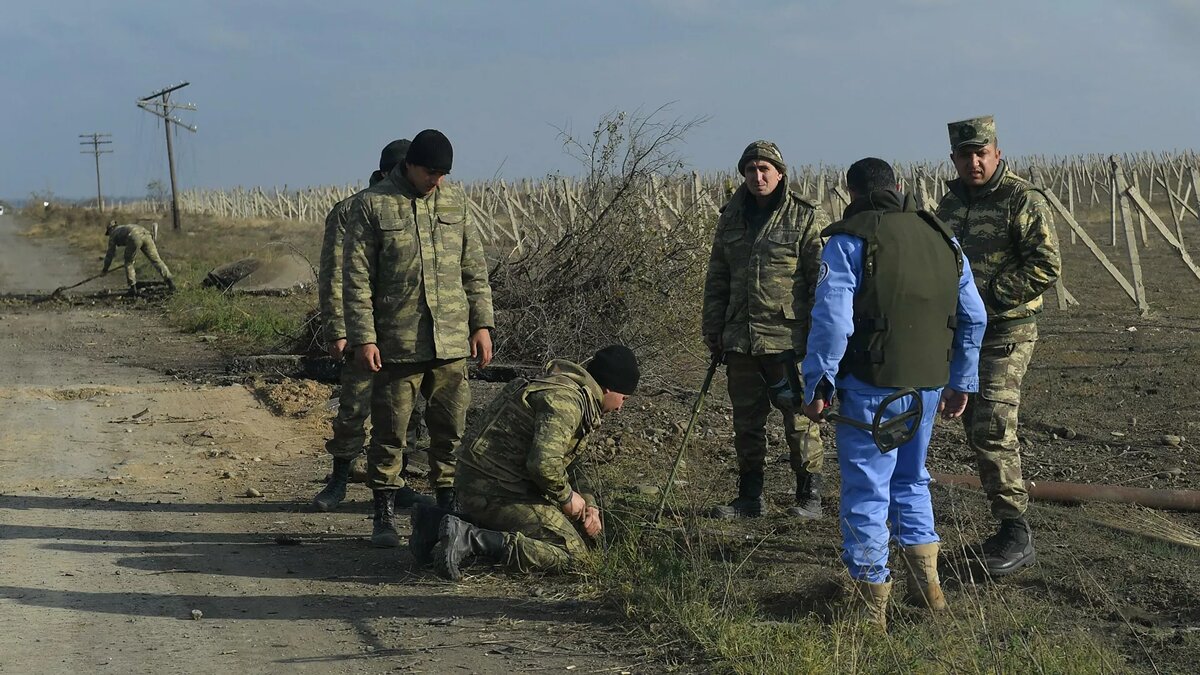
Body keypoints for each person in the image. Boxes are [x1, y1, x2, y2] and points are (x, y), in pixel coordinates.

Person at [801, 157, 987, 629]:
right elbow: (974, 316)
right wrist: (961, 379)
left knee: (866, 490)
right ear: (900, 186)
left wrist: (819, 382)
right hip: (928, 386)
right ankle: (929, 593)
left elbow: (833, 321)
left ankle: (869, 611)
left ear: (852, 195)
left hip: (870, 388)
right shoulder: (944, 237)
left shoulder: (849, 241)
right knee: (912, 480)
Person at [342, 129, 495, 547]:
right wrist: (363, 338)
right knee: (391, 431)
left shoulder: (455, 202)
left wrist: (482, 325)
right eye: (431, 172)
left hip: (449, 343)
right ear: (409, 165)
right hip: (397, 343)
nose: (437, 181)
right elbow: (356, 279)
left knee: (451, 429)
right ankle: (384, 514)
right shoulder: (371, 206)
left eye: (444, 174)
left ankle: (448, 510)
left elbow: (474, 268)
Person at [935, 116, 1061, 577]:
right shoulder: (947, 205)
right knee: (974, 424)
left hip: (1008, 330)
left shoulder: (1021, 199)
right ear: (953, 158)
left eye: (981, 153)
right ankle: (1005, 524)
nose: (973, 161)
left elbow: (1046, 264)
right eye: (965, 154)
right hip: (962, 334)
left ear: (996, 153)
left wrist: (986, 296)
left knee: (991, 423)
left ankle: (1015, 532)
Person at [416, 345, 638, 580]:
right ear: (609, 388)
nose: (620, 408)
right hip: (496, 489)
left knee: (564, 533)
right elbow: (543, 464)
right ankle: (470, 539)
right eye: (623, 398)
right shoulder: (566, 401)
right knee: (574, 554)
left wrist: (589, 504)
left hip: (485, 482)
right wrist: (566, 498)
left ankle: (433, 524)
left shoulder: (565, 388)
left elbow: (571, 462)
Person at [701, 140, 828, 519]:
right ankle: (749, 497)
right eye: (750, 170)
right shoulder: (731, 217)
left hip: (787, 340)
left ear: (780, 173)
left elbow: (819, 280)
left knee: (800, 419)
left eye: (764, 169)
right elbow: (718, 275)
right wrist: (713, 325)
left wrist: (822, 335)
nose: (757, 177)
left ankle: (809, 497)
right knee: (746, 421)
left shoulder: (804, 216)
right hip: (740, 338)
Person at [313, 139, 430, 512]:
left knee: (406, 413)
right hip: (362, 330)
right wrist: (338, 330)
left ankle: (397, 483)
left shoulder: (417, 207)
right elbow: (333, 276)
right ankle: (340, 479)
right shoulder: (350, 211)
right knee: (353, 408)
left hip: (406, 333)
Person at [102, 221, 175, 295]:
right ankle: (170, 283)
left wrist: (105, 269)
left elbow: (109, 254)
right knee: (156, 260)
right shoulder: (124, 227)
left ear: (110, 229)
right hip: (146, 234)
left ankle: (132, 288)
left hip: (134, 236)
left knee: (128, 263)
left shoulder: (113, 233)